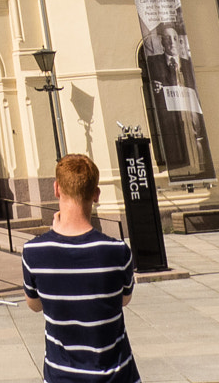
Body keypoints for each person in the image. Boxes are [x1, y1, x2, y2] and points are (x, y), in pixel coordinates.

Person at [22, 154, 139, 383]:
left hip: (61, 377)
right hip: (117, 376)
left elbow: (34, 305)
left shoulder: (34, 252)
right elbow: (123, 300)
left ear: (56, 189)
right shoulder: (117, 251)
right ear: (96, 194)